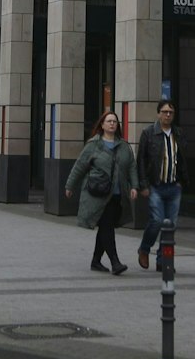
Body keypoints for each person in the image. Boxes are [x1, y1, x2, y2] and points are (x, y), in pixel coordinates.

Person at [64, 111, 138, 275]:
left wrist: (134, 186)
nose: (112, 124)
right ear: (102, 125)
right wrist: (70, 186)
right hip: (98, 194)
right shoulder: (93, 145)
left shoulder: (124, 146)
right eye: (109, 121)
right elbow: (80, 166)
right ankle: (115, 262)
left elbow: (132, 167)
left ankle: (96, 261)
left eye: (115, 121)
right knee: (107, 227)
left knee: (106, 227)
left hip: (117, 195)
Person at [135, 100, 184, 270]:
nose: (168, 115)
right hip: (155, 185)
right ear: (158, 114)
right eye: (164, 112)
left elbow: (182, 158)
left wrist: (181, 181)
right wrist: (143, 185)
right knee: (157, 221)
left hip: (174, 186)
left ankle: (163, 260)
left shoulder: (178, 133)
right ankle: (144, 249)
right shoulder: (148, 133)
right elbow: (141, 160)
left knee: (170, 225)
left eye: (171, 112)